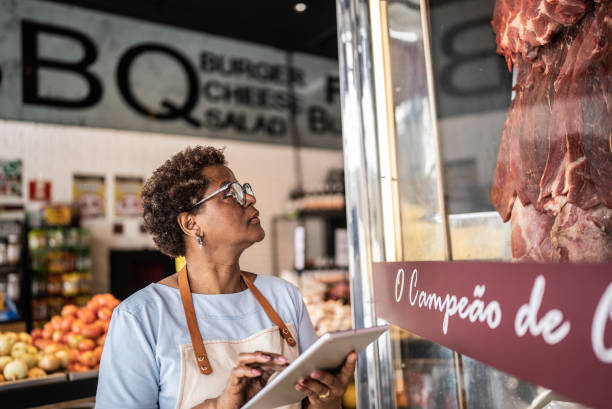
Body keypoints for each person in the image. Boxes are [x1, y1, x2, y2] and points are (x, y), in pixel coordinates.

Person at [96, 146, 357, 409]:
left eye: (244, 189)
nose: (250, 199)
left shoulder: (284, 297)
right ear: (191, 224)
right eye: (230, 193)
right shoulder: (141, 317)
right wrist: (218, 405)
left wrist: (328, 398)